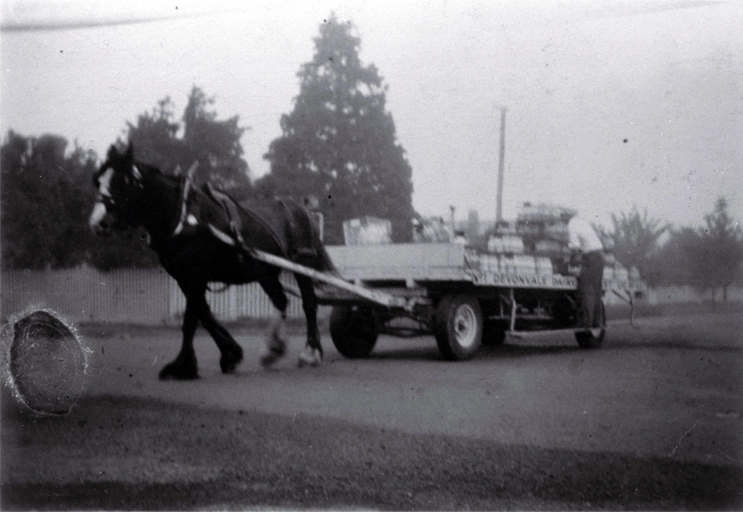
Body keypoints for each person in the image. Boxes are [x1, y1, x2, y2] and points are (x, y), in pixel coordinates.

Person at [563, 209, 604, 330]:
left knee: (585, 289)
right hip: (599, 255)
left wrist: (569, 262)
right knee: (596, 290)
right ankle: (596, 322)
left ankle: (586, 323)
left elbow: (575, 247)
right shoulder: (582, 222)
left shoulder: (571, 225)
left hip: (591, 257)